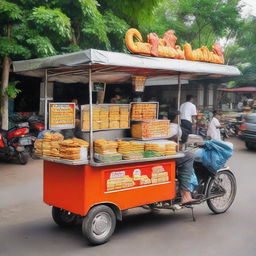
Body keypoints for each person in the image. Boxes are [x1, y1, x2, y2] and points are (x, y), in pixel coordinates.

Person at [168, 111, 198, 204]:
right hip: (169, 154)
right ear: (176, 117)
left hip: (166, 152)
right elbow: (174, 142)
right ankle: (185, 195)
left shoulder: (166, 126)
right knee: (190, 157)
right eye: (179, 117)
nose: (180, 119)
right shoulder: (175, 128)